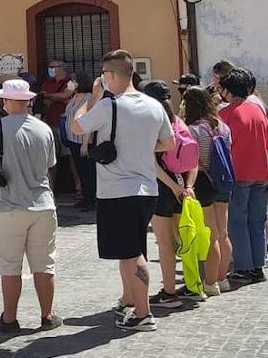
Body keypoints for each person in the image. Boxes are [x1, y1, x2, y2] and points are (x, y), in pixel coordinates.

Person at [71, 50, 174, 332]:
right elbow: (168, 143)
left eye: (104, 74)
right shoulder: (154, 105)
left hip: (117, 190)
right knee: (131, 247)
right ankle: (130, 300)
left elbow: (76, 125)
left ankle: (143, 313)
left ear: (112, 75)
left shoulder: (108, 105)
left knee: (131, 253)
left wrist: (88, 99)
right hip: (146, 190)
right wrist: (138, 148)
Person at [0, 79, 62, 332]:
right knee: (44, 264)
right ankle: (47, 315)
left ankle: (9, 318)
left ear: (6, 101)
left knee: (10, 268)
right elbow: (49, 164)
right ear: (28, 100)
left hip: (9, 206)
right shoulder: (44, 128)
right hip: (43, 204)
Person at [144, 81, 204, 308]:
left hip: (163, 189)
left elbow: (152, 164)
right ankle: (194, 285)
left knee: (165, 242)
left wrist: (172, 187)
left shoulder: (152, 124)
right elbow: (194, 161)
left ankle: (169, 292)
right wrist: (188, 186)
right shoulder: (180, 123)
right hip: (183, 189)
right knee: (187, 239)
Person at [218, 67, 268, 285]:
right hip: (262, 171)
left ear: (228, 91)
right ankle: (258, 265)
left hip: (239, 173)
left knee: (238, 222)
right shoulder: (257, 110)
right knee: (257, 220)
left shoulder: (226, 114)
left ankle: (243, 267)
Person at [182, 86, 234, 296]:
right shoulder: (223, 126)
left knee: (210, 235)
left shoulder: (193, 129)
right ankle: (223, 279)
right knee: (223, 233)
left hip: (204, 181)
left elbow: (192, 160)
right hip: (223, 181)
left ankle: (210, 283)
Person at [39, 59, 76, 193]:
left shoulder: (70, 82)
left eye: (52, 67)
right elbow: (45, 99)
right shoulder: (47, 82)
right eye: (49, 67)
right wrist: (58, 98)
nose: (50, 69)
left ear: (61, 68)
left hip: (66, 124)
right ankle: (50, 189)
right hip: (49, 123)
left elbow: (66, 95)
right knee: (51, 158)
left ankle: (78, 188)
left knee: (71, 156)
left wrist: (50, 96)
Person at [63, 72, 96, 210]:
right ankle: (85, 197)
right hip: (72, 139)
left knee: (87, 171)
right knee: (80, 170)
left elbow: (90, 120)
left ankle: (91, 199)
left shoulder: (89, 98)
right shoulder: (74, 96)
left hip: (83, 141)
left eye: (73, 81)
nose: (70, 83)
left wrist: (85, 143)